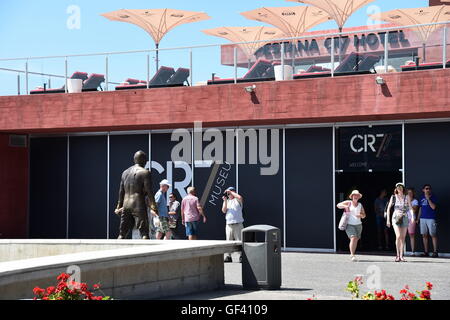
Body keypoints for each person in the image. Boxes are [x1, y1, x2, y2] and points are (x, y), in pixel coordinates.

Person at [115, 151, 158, 240]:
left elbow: (121, 191)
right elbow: (149, 192)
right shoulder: (145, 173)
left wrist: (119, 206)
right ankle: (146, 253)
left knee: (122, 233)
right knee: (144, 233)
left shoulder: (125, 172)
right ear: (144, 161)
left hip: (126, 204)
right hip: (138, 204)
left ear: (134, 160)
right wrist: (154, 206)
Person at [386, 183, 412, 262]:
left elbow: (410, 207)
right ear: (396, 189)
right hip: (395, 217)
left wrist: (412, 217)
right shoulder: (393, 197)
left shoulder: (406, 197)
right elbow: (388, 208)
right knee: (398, 236)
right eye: (398, 187)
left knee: (403, 237)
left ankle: (401, 255)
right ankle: (397, 255)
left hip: (404, 217)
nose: (399, 188)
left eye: (401, 187)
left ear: (403, 188)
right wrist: (388, 220)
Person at [337, 190, 366, 262]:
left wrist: (361, 215)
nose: (356, 196)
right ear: (352, 196)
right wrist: (345, 206)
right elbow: (338, 205)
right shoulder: (348, 202)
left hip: (358, 225)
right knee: (353, 238)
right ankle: (352, 255)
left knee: (356, 239)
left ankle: (353, 253)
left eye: (357, 195)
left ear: (359, 197)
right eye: (354, 195)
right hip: (350, 224)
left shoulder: (360, 205)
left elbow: (364, 215)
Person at [222, 187, 244, 263]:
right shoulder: (227, 201)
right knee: (228, 241)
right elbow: (224, 210)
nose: (229, 194)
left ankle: (241, 256)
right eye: (228, 193)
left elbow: (240, 197)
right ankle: (228, 256)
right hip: (229, 224)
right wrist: (225, 200)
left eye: (231, 192)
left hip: (238, 224)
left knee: (240, 241)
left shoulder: (237, 200)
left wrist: (231, 192)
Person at [418, 184, 439, 258]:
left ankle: (435, 252)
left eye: (429, 188)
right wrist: (418, 218)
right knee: (424, 235)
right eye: (426, 188)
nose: (428, 190)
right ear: (423, 190)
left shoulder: (433, 197)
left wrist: (428, 199)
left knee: (433, 234)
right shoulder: (421, 198)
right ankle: (426, 252)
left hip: (431, 218)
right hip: (422, 219)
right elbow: (420, 208)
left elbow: (433, 207)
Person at [406, 188, 419, 256]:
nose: (410, 194)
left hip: (411, 219)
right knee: (401, 236)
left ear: (413, 193)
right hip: (404, 219)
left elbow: (414, 210)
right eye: (408, 193)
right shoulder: (404, 201)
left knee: (411, 235)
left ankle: (413, 252)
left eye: (411, 193)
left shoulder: (415, 201)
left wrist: (409, 203)